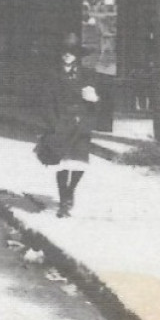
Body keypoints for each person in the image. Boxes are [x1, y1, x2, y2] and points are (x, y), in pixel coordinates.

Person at [41, 36, 99, 218]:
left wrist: (93, 99)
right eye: (65, 52)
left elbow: (96, 101)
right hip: (61, 122)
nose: (67, 56)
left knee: (80, 161)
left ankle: (70, 190)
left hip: (81, 123)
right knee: (62, 163)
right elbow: (46, 102)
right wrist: (53, 123)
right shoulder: (52, 74)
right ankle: (63, 201)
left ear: (77, 56)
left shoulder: (87, 74)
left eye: (71, 53)